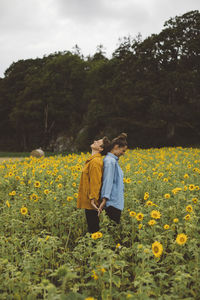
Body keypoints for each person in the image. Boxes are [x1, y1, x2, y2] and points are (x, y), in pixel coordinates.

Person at [77, 137, 110, 233]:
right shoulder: (93, 160)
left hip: (92, 202)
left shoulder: (95, 162)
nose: (94, 141)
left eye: (98, 142)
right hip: (90, 200)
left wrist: (93, 199)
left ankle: (96, 246)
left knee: (93, 229)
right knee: (92, 227)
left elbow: (96, 182)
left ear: (101, 149)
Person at [99, 133, 128, 224]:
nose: (123, 154)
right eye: (122, 151)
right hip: (111, 203)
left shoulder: (113, 161)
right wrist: (104, 199)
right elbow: (108, 181)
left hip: (115, 202)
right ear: (116, 147)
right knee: (112, 229)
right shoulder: (110, 161)